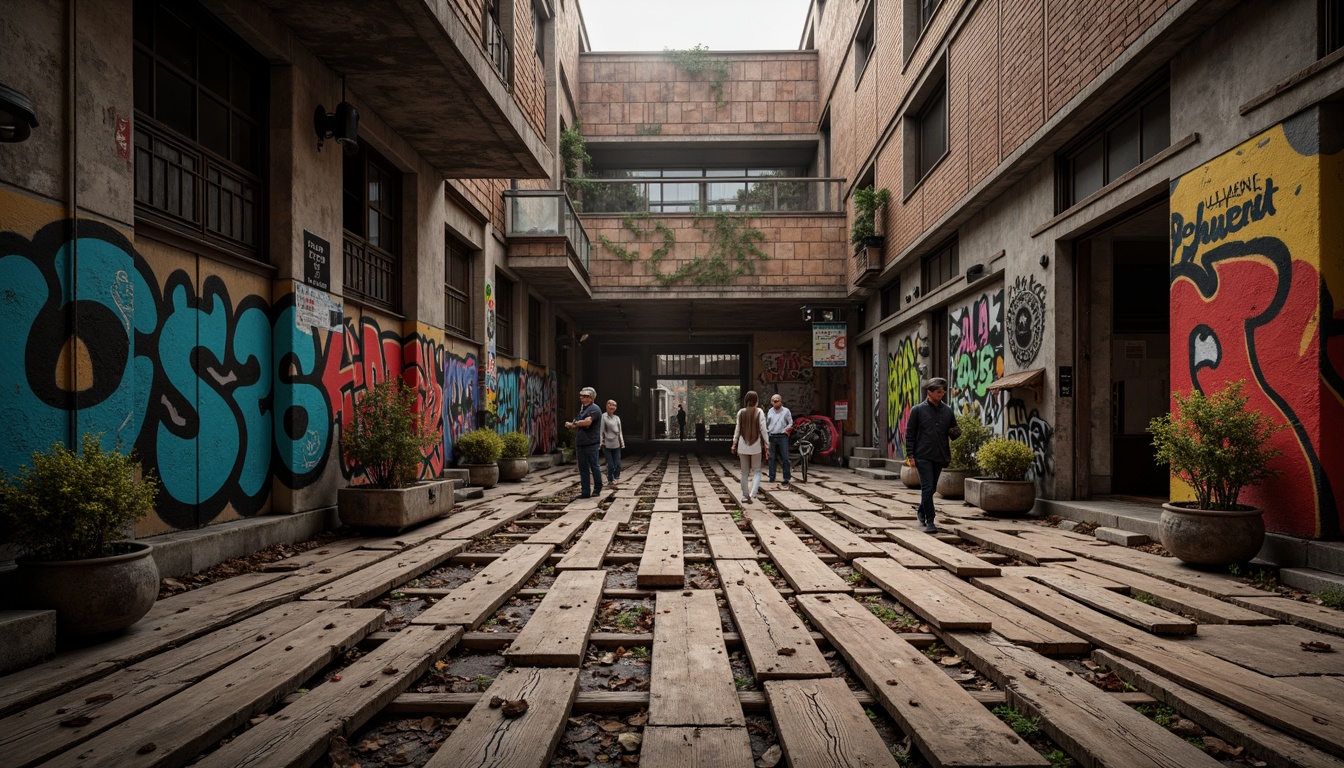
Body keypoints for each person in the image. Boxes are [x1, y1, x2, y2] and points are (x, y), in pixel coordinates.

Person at [904, 377, 962, 533]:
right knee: (928, 487)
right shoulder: (918, 410)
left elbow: (953, 431)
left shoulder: (947, 410)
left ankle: (922, 510)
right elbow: (910, 434)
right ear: (929, 392)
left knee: (931, 488)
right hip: (922, 455)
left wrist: (956, 431)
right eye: (938, 392)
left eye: (943, 391)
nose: (941, 394)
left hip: (940, 455)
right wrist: (910, 455)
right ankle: (930, 521)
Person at [731, 390, 770, 503]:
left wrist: (734, 443)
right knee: (757, 470)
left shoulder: (741, 412)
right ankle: (753, 494)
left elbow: (737, 430)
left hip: (742, 446)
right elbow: (763, 430)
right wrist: (767, 444)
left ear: (746, 401)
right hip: (756, 446)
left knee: (744, 472)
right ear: (756, 401)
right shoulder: (759, 412)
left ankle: (744, 496)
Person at [565, 387, 603, 498]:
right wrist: (571, 425)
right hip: (581, 443)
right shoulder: (583, 409)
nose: (582, 398)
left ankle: (597, 489)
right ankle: (585, 491)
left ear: (591, 398)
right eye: (582, 396)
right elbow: (577, 421)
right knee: (583, 468)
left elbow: (587, 422)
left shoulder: (594, 409)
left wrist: (575, 424)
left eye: (586, 396)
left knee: (594, 466)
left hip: (591, 443)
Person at [765, 393, 794, 485]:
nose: (775, 402)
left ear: (781, 401)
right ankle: (772, 477)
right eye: (773, 401)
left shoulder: (786, 411)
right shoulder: (770, 411)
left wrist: (786, 431)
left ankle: (786, 477)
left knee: (785, 457)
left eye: (777, 401)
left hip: (782, 436)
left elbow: (790, 423)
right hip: (772, 436)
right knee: (771, 458)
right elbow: (767, 423)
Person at [601, 399, 625, 487]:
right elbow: (601, 430)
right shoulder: (603, 417)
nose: (612, 407)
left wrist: (622, 441)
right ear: (607, 406)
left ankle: (616, 477)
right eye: (610, 405)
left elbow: (620, 431)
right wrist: (601, 440)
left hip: (616, 442)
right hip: (607, 442)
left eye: (614, 405)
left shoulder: (617, 418)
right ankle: (610, 478)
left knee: (617, 463)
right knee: (610, 464)